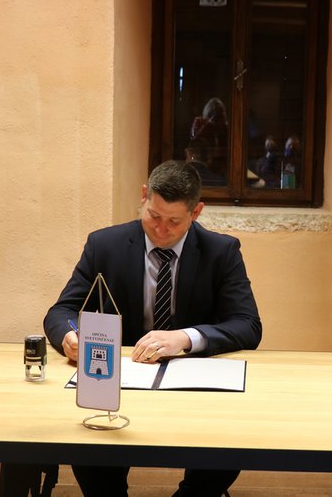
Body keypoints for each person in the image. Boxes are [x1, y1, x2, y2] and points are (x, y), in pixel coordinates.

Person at [44, 160, 262, 497]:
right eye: (154, 215)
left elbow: (247, 324)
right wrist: (70, 335)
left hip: (194, 380)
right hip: (121, 378)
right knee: (89, 444)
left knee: (227, 442)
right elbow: (62, 312)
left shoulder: (222, 251)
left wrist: (186, 338)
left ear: (196, 212)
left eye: (174, 221)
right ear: (145, 196)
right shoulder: (105, 245)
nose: (161, 229)